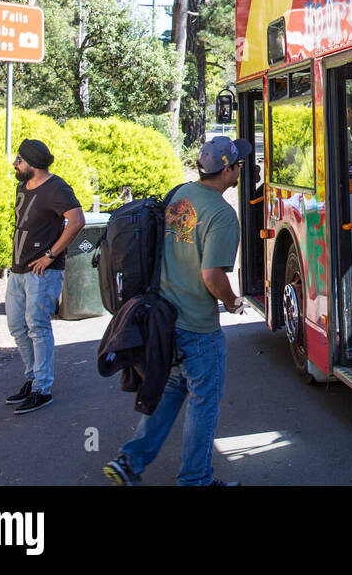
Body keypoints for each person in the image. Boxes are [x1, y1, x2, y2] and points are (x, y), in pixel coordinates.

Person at [103, 135, 248, 486]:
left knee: (169, 394)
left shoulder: (179, 195)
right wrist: (232, 301)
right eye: (238, 164)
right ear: (227, 170)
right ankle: (195, 479)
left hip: (164, 322)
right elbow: (211, 275)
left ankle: (129, 461)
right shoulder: (222, 215)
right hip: (198, 328)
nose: (242, 168)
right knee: (204, 404)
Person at [5, 138, 85, 414]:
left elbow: (76, 221)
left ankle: (43, 388)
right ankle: (32, 378)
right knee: (17, 326)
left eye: (19, 160)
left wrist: (51, 254)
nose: (15, 164)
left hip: (42, 272)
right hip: (17, 270)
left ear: (33, 164)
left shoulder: (57, 188)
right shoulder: (23, 186)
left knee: (37, 327)